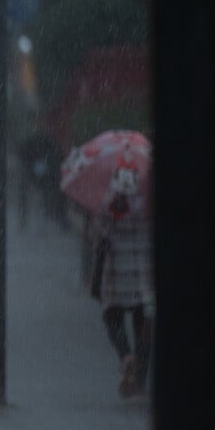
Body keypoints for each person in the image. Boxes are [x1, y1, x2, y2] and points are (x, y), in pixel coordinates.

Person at [92, 167, 154, 398]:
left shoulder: (107, 205)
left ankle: (126, 356)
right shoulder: (148, 202)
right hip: (143, 274)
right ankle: (139, 381)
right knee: (144, 325)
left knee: (112, 317)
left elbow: (99, 239)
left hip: (115, 273)